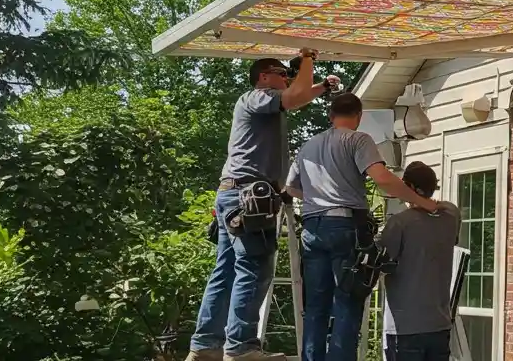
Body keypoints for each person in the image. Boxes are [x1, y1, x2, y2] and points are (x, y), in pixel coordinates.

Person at [187, 50, 339, 361]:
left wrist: (321, 86)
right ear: (263, 77)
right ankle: (241, 348)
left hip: (235, 193)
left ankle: (205, 347)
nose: (286, 77)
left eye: (287, 72)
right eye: (280, 72)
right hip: (249, 197)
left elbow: (298, 96)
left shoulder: (263, 102)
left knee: (226, 270)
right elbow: (294, 96)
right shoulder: (257, 97)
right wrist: (307, 59)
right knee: (253, 269)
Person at [284, 93, 440, 361]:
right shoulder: (358, 139)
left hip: (311, 228)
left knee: (316, 306)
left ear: (331, 116)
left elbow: (290, 188)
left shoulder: (308, 146)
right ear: (359, 116)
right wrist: (421, 201)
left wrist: (316, 198)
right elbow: (383, 179)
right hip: (344, 226)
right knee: (347, 300)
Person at [377, 162, 461, 361]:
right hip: (439, 325)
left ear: (409, 188)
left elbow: (379, 261)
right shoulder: (450, 217)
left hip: (405, 327)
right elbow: (446, 206)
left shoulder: (399, 223)